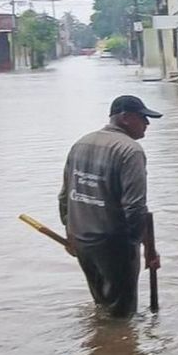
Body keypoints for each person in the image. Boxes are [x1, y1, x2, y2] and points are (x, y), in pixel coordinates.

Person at [59, 95, 162, 318]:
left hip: (83, 241)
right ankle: (119, 350)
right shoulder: (130, 151)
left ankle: (103, 346)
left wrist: (70, 233)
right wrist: (142, 248)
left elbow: (64, 196)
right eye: (143, 118)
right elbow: (135, 208)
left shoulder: (81, 143)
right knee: (122, 316)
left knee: (103, 305)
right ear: (125, 118)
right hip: (114, 246)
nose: (147, 124)